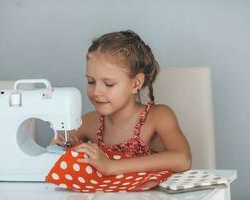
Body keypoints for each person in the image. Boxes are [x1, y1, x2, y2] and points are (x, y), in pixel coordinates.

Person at [51, 30, 191, 176]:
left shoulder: (158, 117)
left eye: (109, 84)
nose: (96, 91)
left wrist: (112, 166)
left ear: (136, 83)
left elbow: (183, 159)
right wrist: (65, 145)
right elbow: (58, 149)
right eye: (91, 81)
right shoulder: (89, 122)